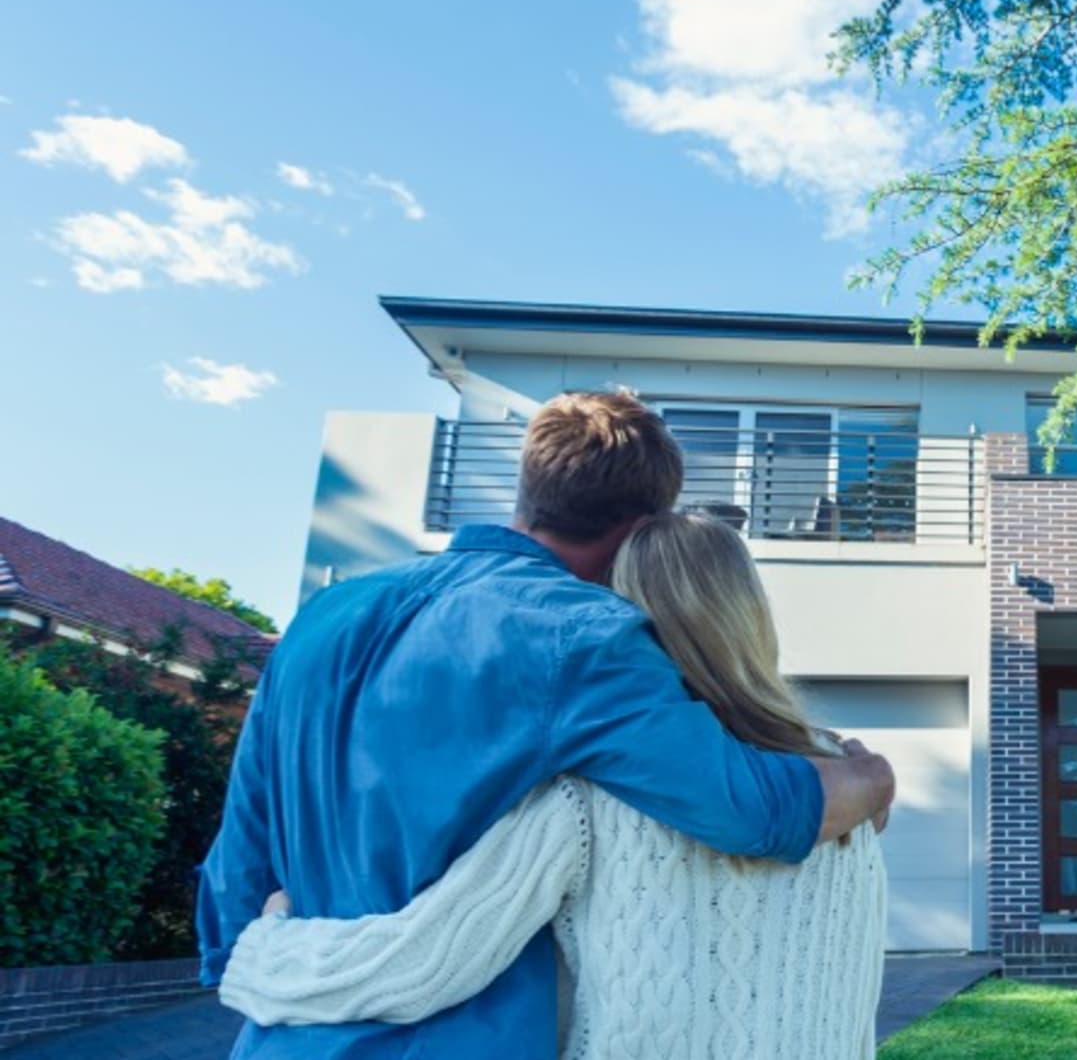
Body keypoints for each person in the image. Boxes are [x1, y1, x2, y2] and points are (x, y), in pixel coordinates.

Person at [196, 393, 896, 1060]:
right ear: (637, 532)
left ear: (529, 489)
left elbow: (239, 858)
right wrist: (868, 779)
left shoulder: (322, 617)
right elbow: (743, 808)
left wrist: (261, 966)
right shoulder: (585, 636)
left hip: (279, 1032)